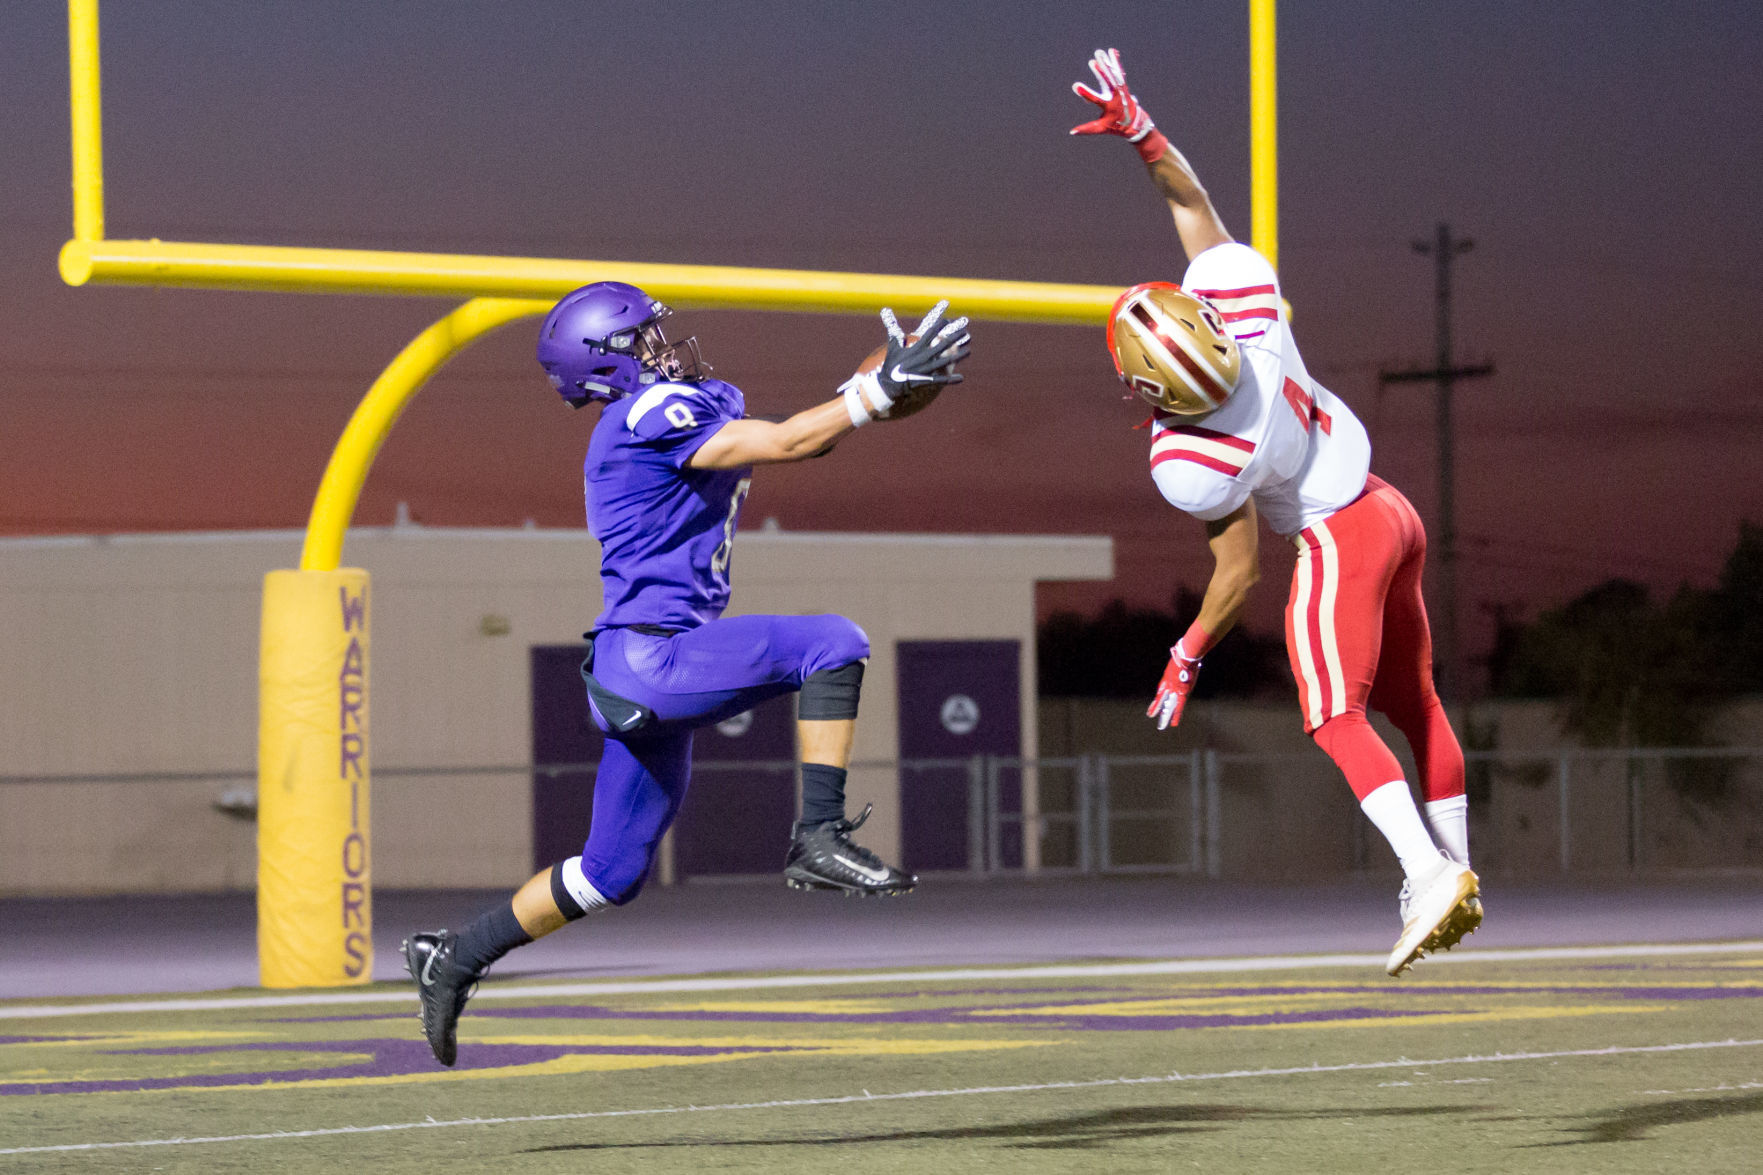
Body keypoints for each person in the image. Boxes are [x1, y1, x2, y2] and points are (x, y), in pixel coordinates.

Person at [404, 282, 971, 1065]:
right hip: (654, 658)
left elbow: (803, 436)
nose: (661, 347)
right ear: (606, 361)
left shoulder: (668, 413)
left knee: (608, 873)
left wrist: (879, 387)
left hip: (638, 665)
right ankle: (818, 835)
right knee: (833, 642)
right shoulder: (643, 414)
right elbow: (790, 442)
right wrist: (875, 392)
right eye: (641, 338)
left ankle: (454, 956)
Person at [1070, 49, 1481, 976]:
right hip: (1391, 506)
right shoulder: (1248, 303)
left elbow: (1239, 571)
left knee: (1334, 715)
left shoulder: (1196, 459)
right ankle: (1458, 867)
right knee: (1416, 704)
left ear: (1150, 394)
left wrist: (1185, 654)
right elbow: (1193, 211)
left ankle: (1427, 874)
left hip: (1339, 536)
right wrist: (1143, 133)